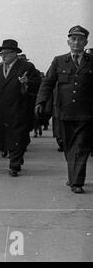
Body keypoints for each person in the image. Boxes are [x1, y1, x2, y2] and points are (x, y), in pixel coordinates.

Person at [35, 25, 93, 194]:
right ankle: (73, 175)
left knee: (81, 146)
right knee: (69, 147)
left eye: (80, 39)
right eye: (73, 39)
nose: (77, 42)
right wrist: (40, 101)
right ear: (68, 41)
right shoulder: (58, 61)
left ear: (86, 42)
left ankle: (77, 182)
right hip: (65, 112)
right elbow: (47, 83)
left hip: (86, 112)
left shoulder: (91, 61)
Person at [0, 40, 41, 177]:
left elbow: (37, 84)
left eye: (6, 53)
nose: (3, 56)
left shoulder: (26, 67)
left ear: (15, 53)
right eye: (1, 54)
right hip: (2, 108)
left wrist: (27, 83)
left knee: (18, 135)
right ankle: (16, 157)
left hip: (20, 107)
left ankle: (14, 164)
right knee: (7, 136)